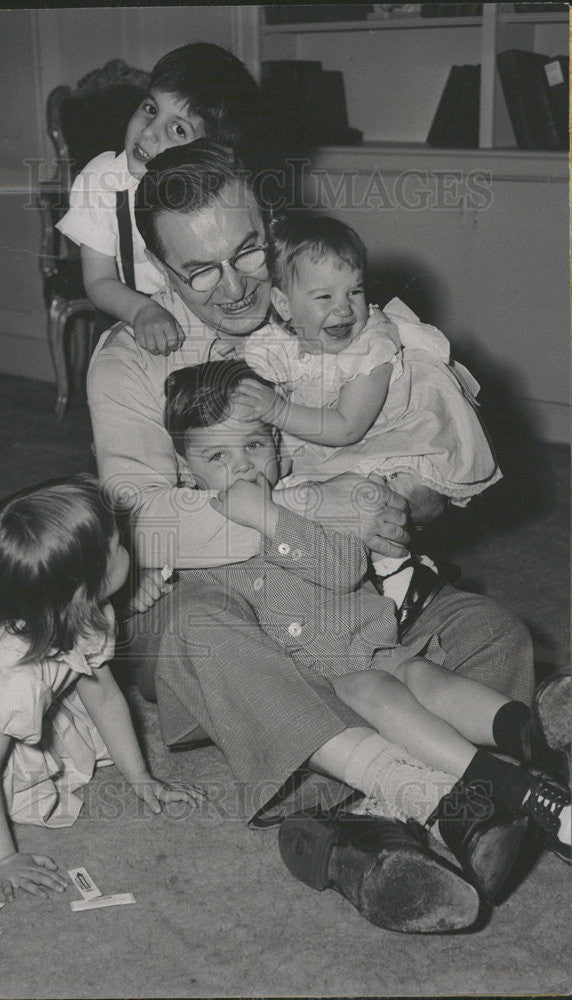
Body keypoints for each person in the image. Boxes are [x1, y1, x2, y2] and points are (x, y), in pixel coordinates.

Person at [86, 140, 537, 932]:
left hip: (342, 602)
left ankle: (354, 833)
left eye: (247, 251)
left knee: (488, 628)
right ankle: (443, 791)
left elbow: (430, 469)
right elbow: (141, 519)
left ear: (271, 223)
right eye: (199, 271)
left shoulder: (336, 310)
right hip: (228, 609)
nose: (234, 287)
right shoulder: (127, 364)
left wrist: (410, 498)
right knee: (198, 631)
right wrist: (311, 503)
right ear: (159, 269)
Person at [162, 357, 571, 894]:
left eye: (255, 447)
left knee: (429, 676)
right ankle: (508, 788)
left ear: (279, 449)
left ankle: (531, 734)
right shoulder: (184, 525)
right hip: (311, 686)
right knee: (378, 691)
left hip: (372, 645)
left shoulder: (301, 506)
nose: (242, 468)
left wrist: (271, 517)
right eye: (217, 456)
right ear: (184, 466)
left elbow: (342, 567)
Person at [0, 475, 203, 901]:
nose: (128, 546)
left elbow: (103, 692)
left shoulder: (85, 611)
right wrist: (3, 861)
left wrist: (140, 776)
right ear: (79, 591)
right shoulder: (11, 680)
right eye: (117, 547)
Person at [236, 211, 502, 618]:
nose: (344, 310)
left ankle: (401, 573)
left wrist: (277, 408)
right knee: (307, 498)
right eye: (324, 297)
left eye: (354, 292)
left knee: (376, 497)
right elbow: (250, 376)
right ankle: (370, 579)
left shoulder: (372, 343)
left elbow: (347, 427)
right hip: (322, 440)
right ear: (284, 305)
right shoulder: (274, 342)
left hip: (387, 434)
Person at [57, 43, 264, 356]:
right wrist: (143, 312)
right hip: (134, 323)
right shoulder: (101, 179)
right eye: (151, 109)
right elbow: (98, 281)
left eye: (177, 129)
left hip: (212, 324)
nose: (150, 133)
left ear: (209, 151)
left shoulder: (222, 194)